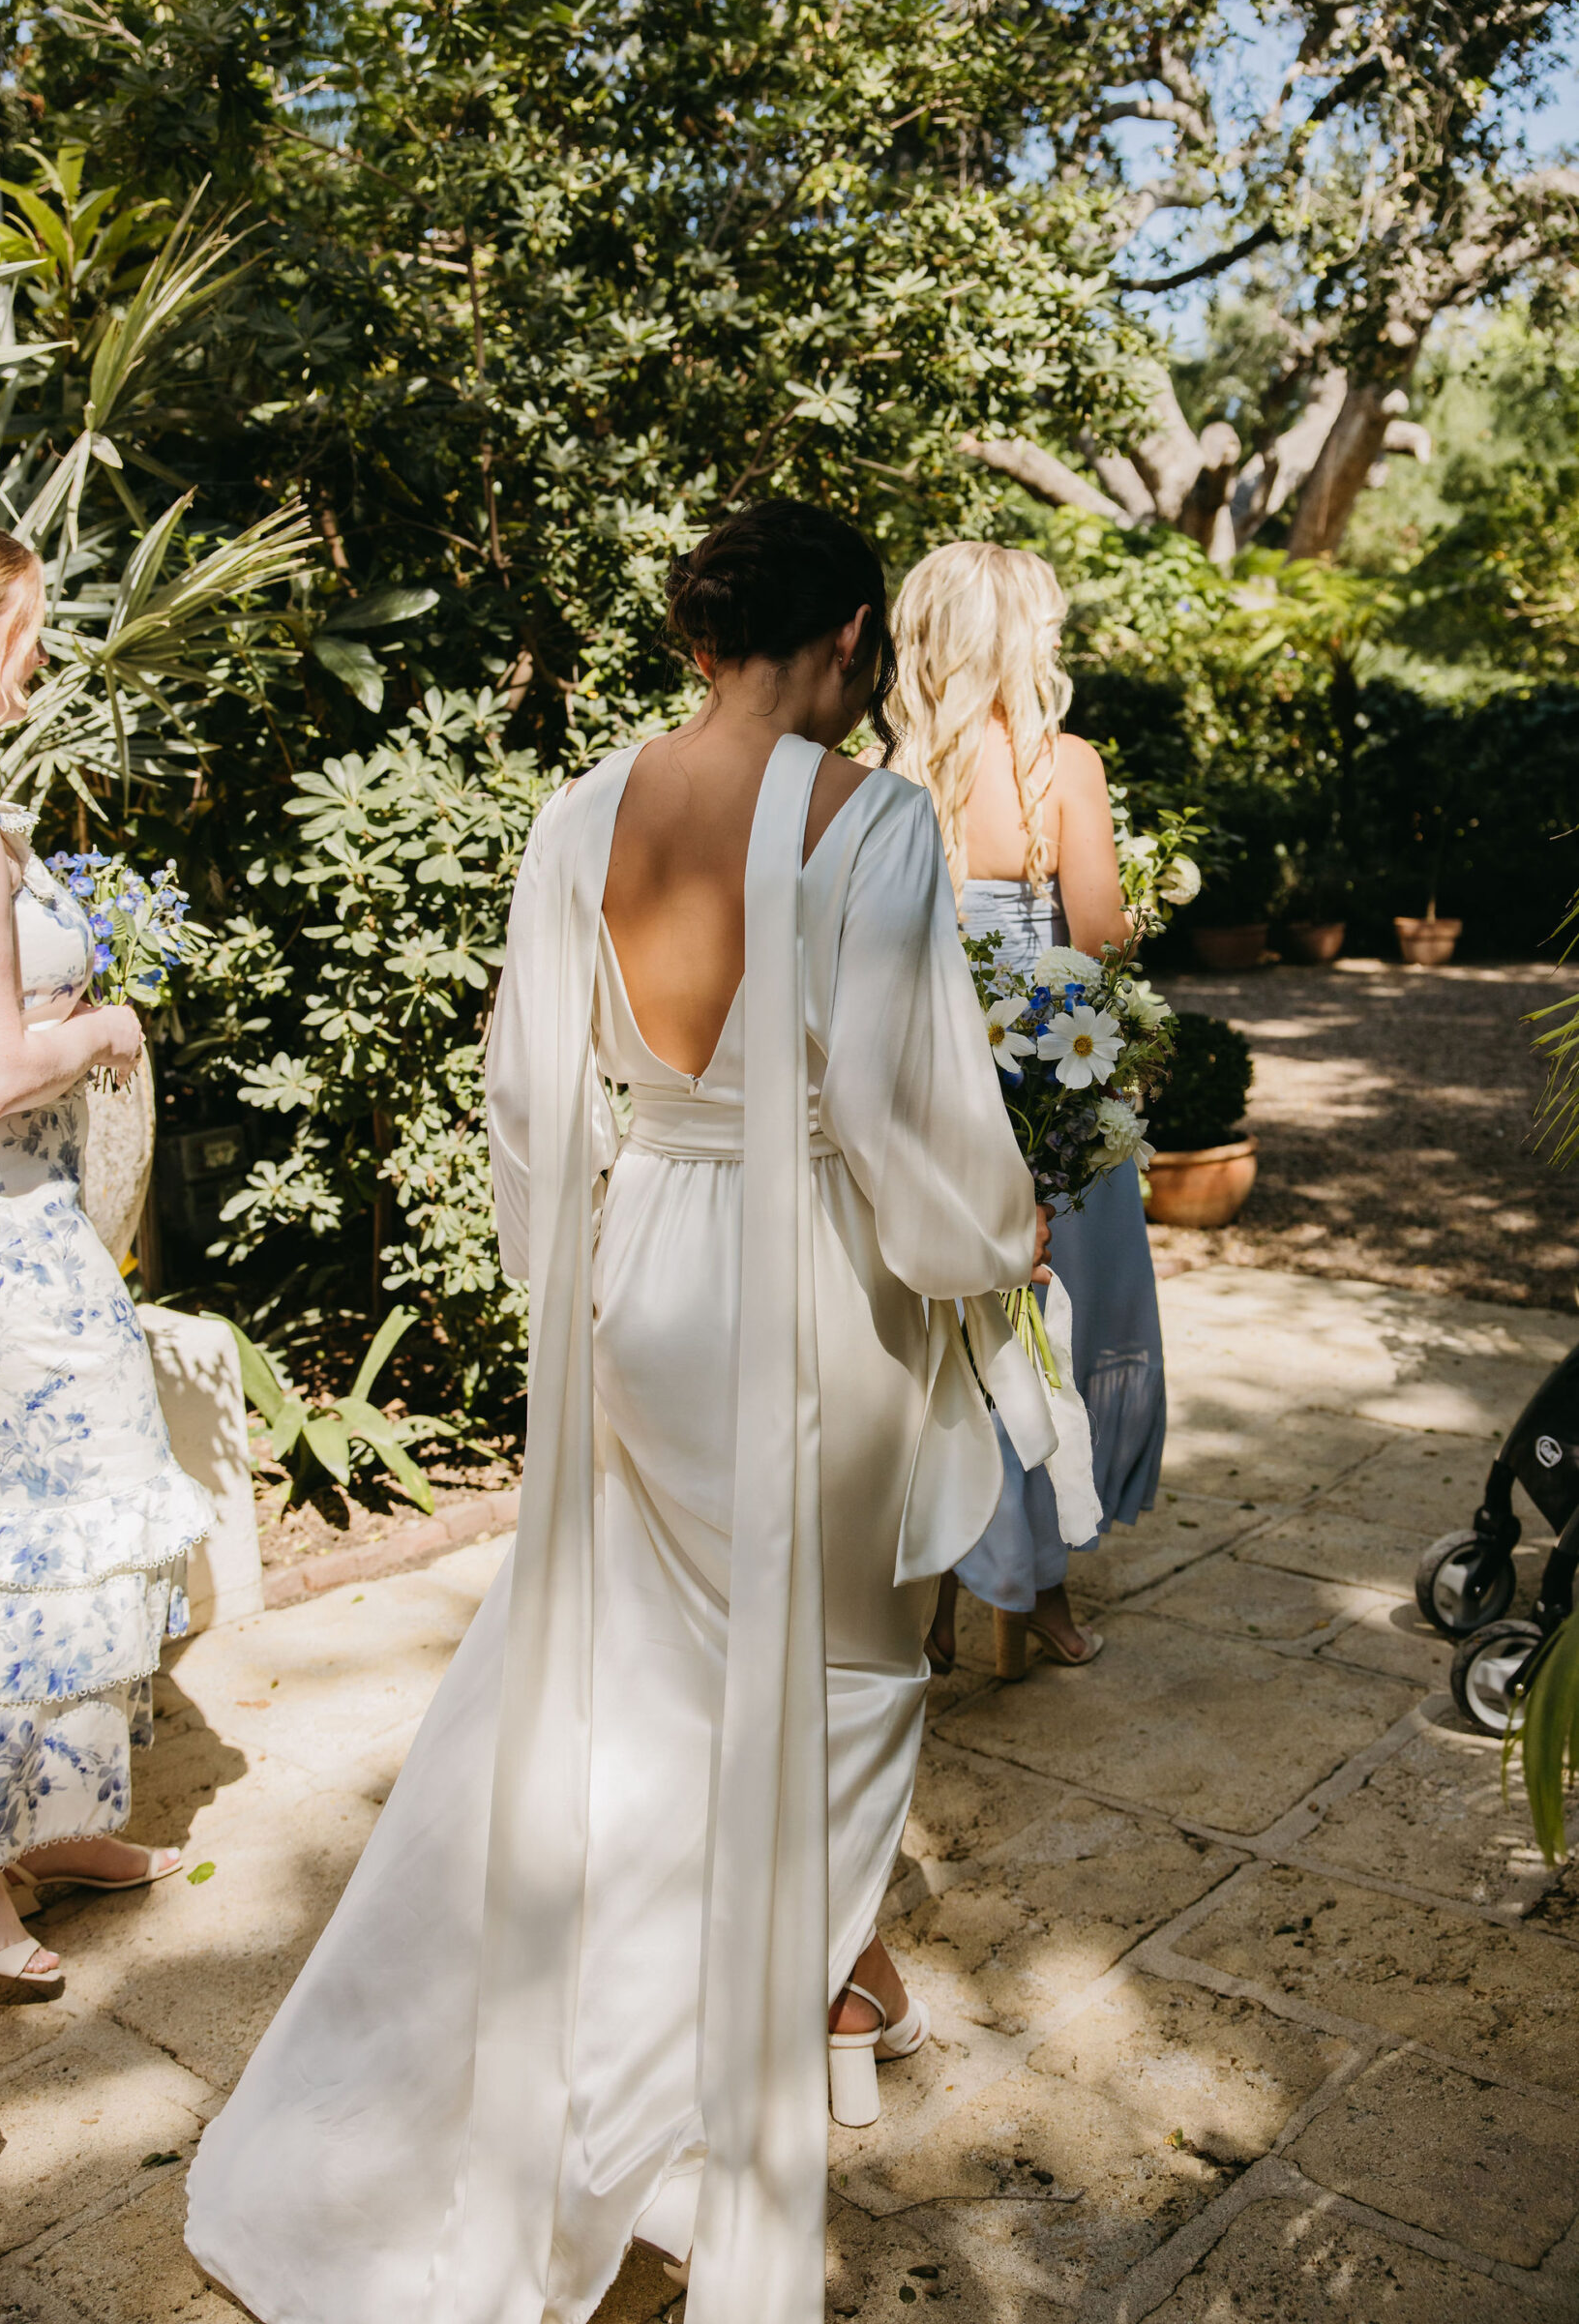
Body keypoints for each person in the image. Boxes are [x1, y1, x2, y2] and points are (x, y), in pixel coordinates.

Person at [185, 500, 1052, 2324]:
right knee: (838, 1696)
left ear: (697, 637)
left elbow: (526, 1096)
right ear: (842, 642)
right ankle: (642, 2112)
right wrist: (1000, 1237)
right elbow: (911, 1122)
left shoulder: (581, 810)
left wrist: (571, 1287)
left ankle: (608, 2117)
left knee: (648, 1691)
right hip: (807, 1290)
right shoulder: (870, 818)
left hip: (637, 1264)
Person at [0, 503, 213, 1988]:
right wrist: (100, 1029)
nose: (33, 671)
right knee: (34, 1534)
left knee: (6, 1523)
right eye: (24, 635)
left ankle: (34, 1820)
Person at [896, 539, 1166, 1678]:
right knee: (1059, 1339)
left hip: (936, 1095)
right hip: (1054, 1091)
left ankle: (944, 1605)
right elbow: (1098, 943)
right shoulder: (1067, 769)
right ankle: (1042, 1599)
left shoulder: (885, 779)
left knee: (951, 1345)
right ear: (1019, 642)